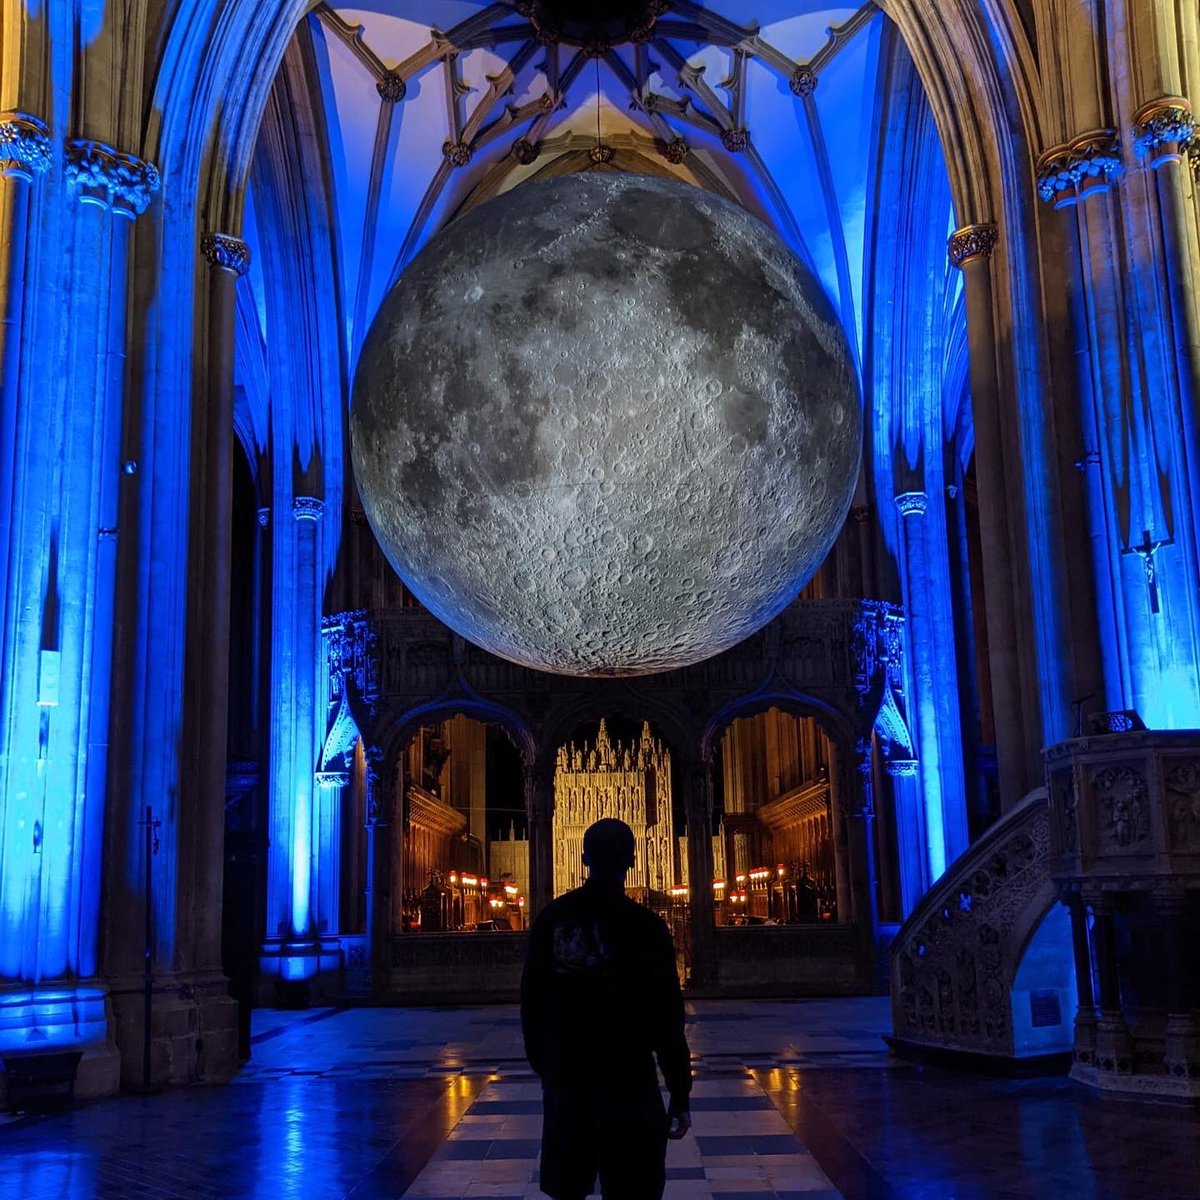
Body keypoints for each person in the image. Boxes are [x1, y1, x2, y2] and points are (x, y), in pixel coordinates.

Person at [521, 818, 692, 1200]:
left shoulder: (553, 919)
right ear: (632, 860)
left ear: (583, 858)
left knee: (569, 1188)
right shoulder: (646, 927)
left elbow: (532, 1004)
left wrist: (549, 1067)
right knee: (633, 1188)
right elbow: (667, 1019)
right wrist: (679, 1092)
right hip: (629, 1084)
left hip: (570, 1082)